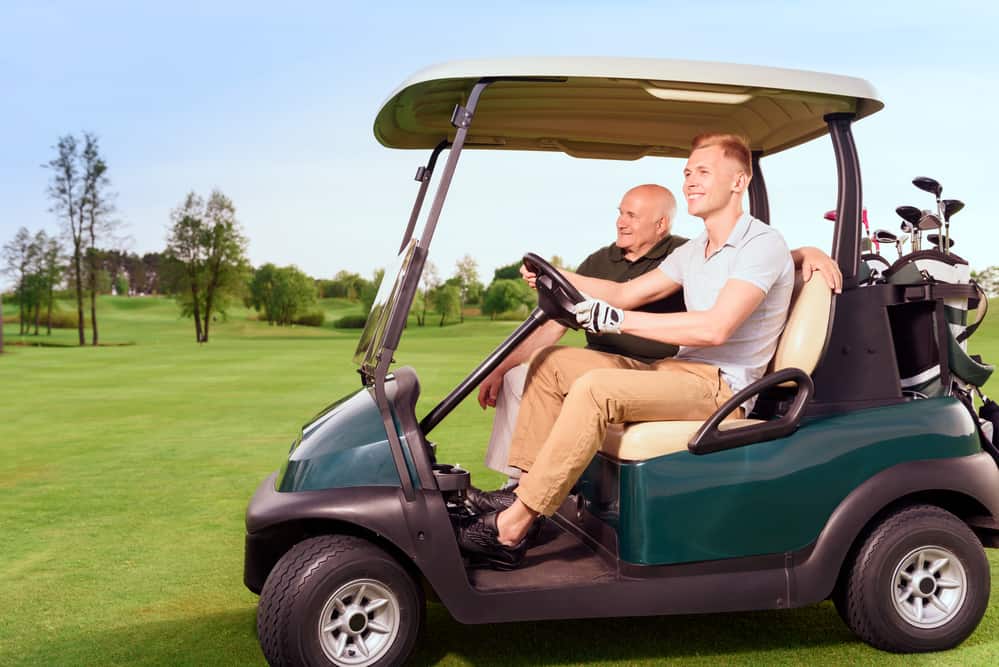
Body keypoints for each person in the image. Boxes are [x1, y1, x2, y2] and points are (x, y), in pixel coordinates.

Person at [459, 133, 804, 568]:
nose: (690, 181)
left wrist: (616, 320)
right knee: (552, 363)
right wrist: (557, 274)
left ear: (738, 182)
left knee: (596, 389)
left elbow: (716, 328)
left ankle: (510, 531)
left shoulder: (761, 244)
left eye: (703, 172)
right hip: (676, 372)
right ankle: (523, 493)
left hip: (724, 389)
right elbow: (625, 293)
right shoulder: (697, 249)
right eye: (687, 172)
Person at [476, 184, 842, 492]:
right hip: (643, 369)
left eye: (632, 216)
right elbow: (590, 309)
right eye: (620, 213)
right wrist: (499, 364)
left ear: (661, 223)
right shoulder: (605, 262)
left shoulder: (688, 251)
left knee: (594, 388)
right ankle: (518, 490)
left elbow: (745, 270)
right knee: (538, 368)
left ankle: (521, 514)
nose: (621, 222)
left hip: (673, 373)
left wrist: (802, 252)